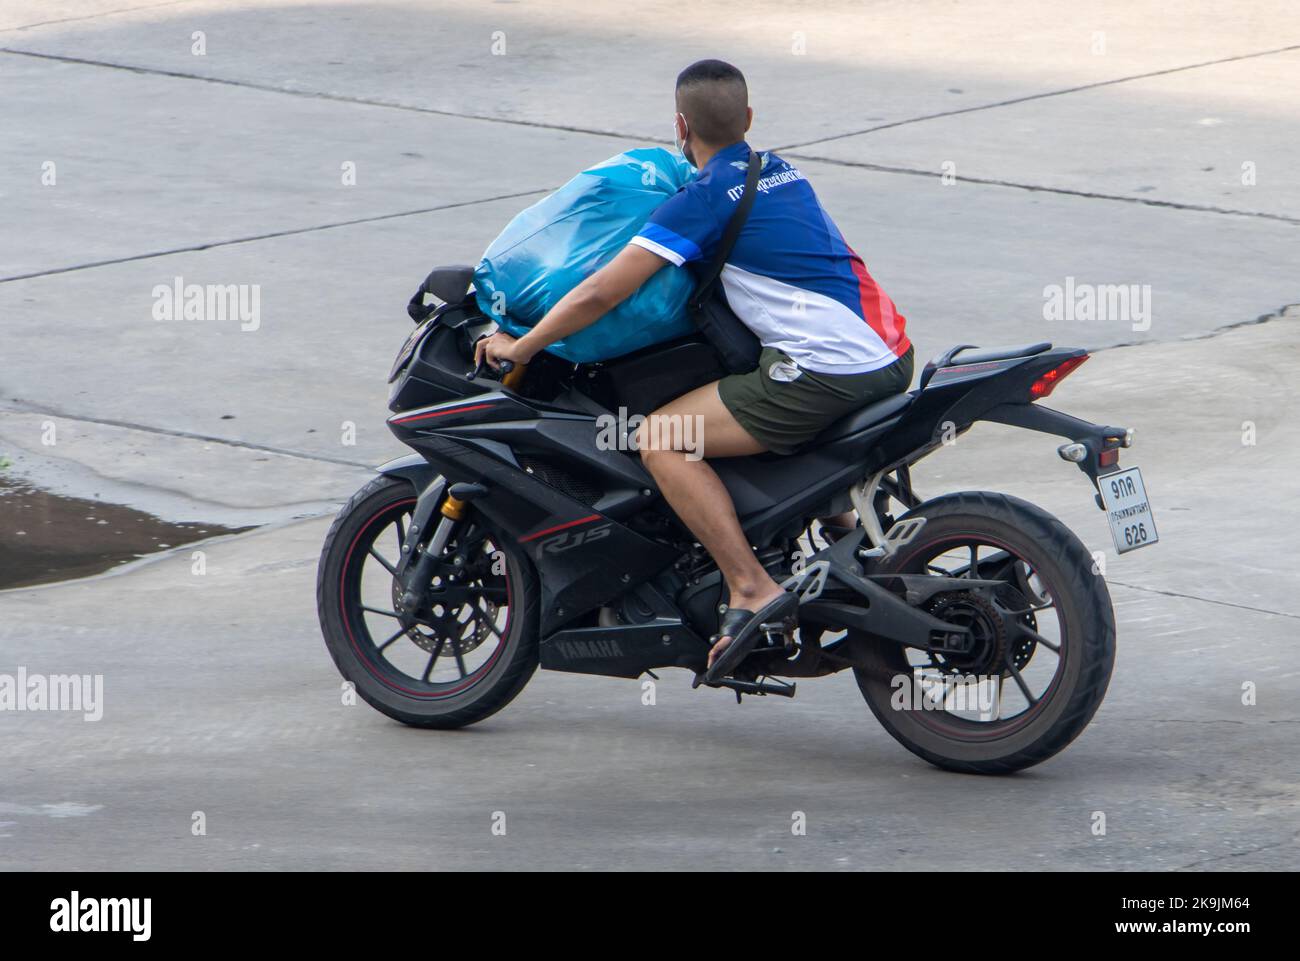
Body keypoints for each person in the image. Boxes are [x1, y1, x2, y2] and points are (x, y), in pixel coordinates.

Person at [475, 59, 913, 680]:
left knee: (661, 439)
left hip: (828, 370)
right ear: (750, 120)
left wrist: (524, 343)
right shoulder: (782, 171)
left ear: (680, 126)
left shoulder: (702, 201)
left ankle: (751, 586)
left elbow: (602, 292)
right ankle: (848, 547)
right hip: (891, 351)